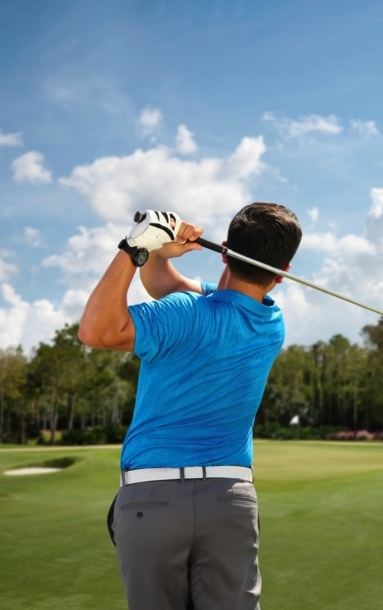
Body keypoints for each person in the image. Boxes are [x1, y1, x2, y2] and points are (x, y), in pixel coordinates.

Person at [78, 202, 302, 610]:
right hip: (229, 502)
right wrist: (161, 252)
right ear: (283, 270)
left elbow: (96, 330)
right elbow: (169, 284)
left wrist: (135, 250)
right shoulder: (271, 324)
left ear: (226, 249)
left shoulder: (184, 314)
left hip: (152, 501)